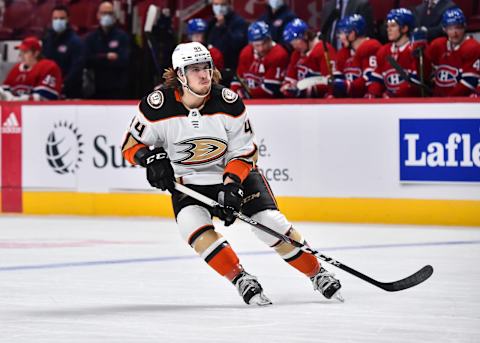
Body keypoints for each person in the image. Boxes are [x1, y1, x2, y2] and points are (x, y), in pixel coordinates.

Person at [121, 42, 343, 306]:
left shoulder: (229, 103)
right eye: (195, 69)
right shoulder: (156, 107)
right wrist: (149, 159)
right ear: (180, 75)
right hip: (190, 185)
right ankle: (240, 278)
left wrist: (231, 185)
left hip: (235, 177)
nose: (204, 75)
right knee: (192, 227)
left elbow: (245, 153)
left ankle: (317, 272)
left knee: (270, 225)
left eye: (207, 67)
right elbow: (129, 146)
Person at [367, 8, 430, 98]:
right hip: (389, 104)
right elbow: (377, 79)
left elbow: (415, 83)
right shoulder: (383, 51)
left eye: (393, 26)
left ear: (404, 28)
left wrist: (394, 95)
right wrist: (372, 93)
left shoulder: (415, 50)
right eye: (388, 26)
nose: (388, 29)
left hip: (411, 104)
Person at [426, 7, 479, 97]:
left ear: (465, 27)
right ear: (444, 29)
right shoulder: (438, 45)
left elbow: (468, 82)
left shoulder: (473, 47)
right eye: (450, 28)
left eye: (458, 28)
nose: (454, 33)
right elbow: (424, 73)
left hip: (462, 103)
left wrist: (448, 101)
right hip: (437, 104)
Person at [84, 0, 130, 99]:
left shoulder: (122, 37)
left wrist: (99, 59)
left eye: (110, 13)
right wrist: (106, 57)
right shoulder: (91, 38)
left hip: (117, 90)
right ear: (98, 15)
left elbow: (124, 60)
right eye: (104, 13)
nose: (107, 16)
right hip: (96, 90)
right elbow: (87, 60)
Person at [231, 21, 289, 98]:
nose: (261, 49)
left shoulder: (279, 54)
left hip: (272, 104)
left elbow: (270, 89)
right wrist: (234, 93)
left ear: (269, 39)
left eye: (264, 43)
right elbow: (238, 79)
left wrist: (246, 95)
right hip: (249, 101)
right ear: (251, 43)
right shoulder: (246, 52)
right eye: (257, 45)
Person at [280, 18, 336, 98]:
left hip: (322, 103)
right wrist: (287, 87)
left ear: (305, 36)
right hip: (304, 103)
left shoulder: (323, 50)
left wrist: (308, 90)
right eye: (291, 43)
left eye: (295, 41)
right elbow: (289, 79)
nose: (294, 46)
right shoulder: (296, 54)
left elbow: (331, 83)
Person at [331, 14, 381, 98]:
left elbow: (370, 78)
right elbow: (337, 78)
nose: (339, 37)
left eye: (342, 33)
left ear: (352, 33)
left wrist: (349, 86)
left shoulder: (371, 47)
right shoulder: (343, 53)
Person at [0, 36, 62, 101]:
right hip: (16, 108)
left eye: (25, 52)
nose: (21, 55)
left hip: (40, 110)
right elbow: (4, 91)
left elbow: (44, 96)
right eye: (21, 52)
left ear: (36, 53)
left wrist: (14, 99)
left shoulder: (49, 67)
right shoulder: (16, 69)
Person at [42, 4, 85, 99]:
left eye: (61, 18)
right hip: (50, 90)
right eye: (55, 18)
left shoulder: (75, 42)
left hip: (71, 93)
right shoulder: (47, 39)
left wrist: (62, 85)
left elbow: (76, 69)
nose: (58, 21)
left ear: (67, 19)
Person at [205, 0, 248, 73]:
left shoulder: (239, 22)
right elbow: (208, 42)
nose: (219, 8)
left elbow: (236, 45)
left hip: (230, 69)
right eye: (216, 4)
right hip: (212, 67)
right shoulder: (212, 22)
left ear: (230, 4)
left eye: (223, 4)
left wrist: (223, 27)